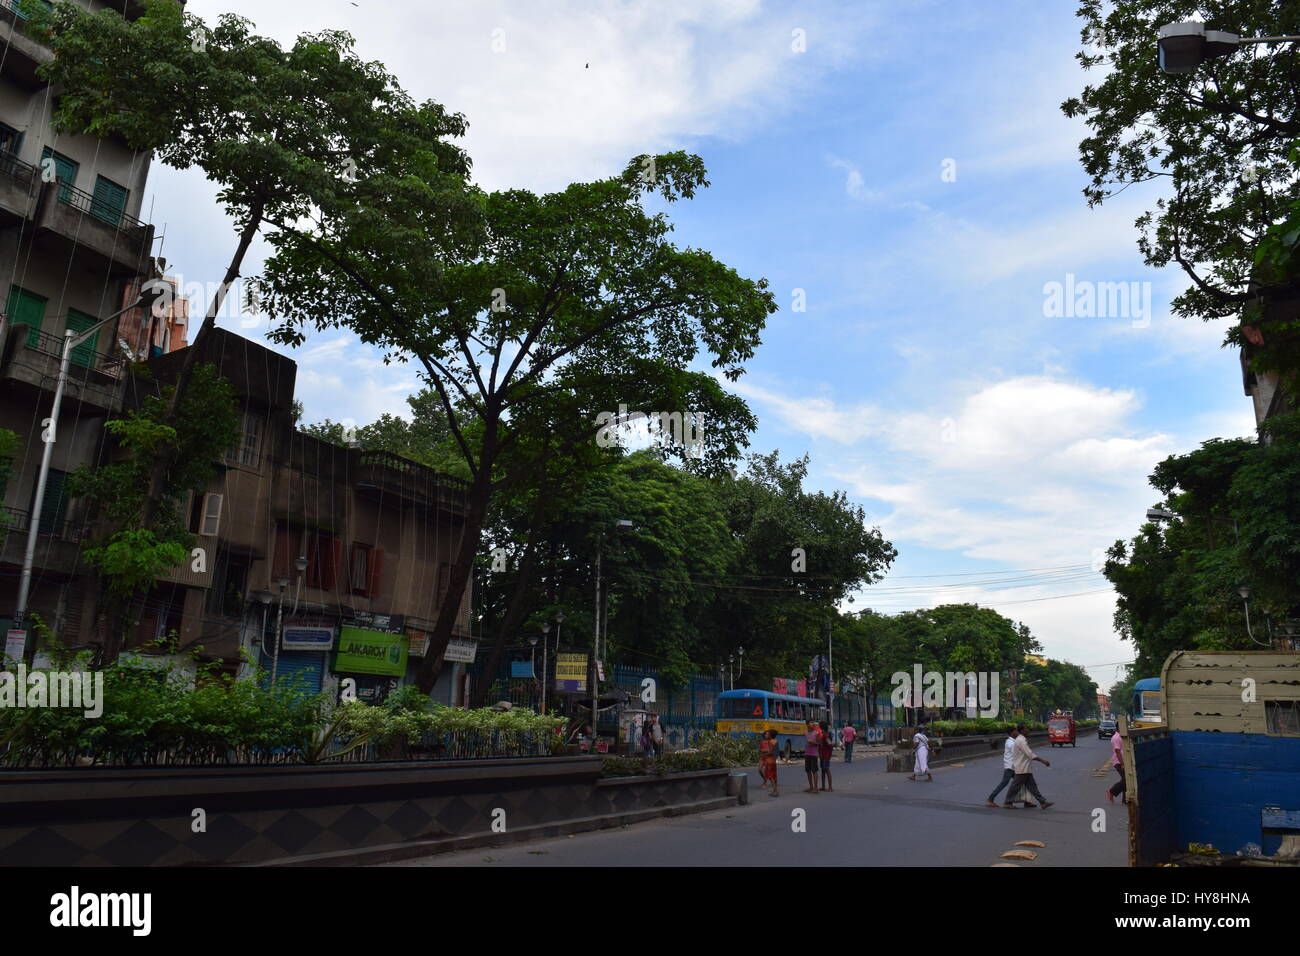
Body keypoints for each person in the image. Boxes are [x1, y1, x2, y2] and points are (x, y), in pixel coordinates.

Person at [1004, 722, 1053, 809]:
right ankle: (1007, 802)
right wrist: (1042, 761)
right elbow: (1030, 754)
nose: (1028, 730)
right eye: (1026, 728)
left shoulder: (1021, 739)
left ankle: (1042, 802)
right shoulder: (1021, 740)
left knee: (1032, 786)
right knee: (1015, 786)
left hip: (1024, 767)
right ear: (1022, 730)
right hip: (1022, 768)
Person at [985, 726, 1019, 807]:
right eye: (1016, 731)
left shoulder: (1012, 741)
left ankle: (1026, 801)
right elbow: (1018, 752)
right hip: (1010, 767)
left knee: (1021, 783)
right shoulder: (1010, 743)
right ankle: (991, 799)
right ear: (1012, 733)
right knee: (1005, 783)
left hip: (1013, 766)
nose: (1017, 733)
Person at [759, 729, 780, 796]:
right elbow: (776, 752)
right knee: (774, 776)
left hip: (769, 760)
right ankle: (776, 790)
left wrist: (765, 753)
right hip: (773, 761)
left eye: (767, 734)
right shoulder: (775, 741)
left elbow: (770, 752)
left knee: (771, 777)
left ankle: (775, 791)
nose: (765, 735)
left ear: (770, 736)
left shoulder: (770, 742)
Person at [1106, 728, 1125, 804]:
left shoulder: (1122, 736)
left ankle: (1125, 801)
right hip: (1118, 762)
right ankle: (1112, 791)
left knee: (1126, 781)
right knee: (1126, 780)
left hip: (1124, 761)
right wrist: (1122, 763)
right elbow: (1117, 751)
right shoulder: (1116, 738)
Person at [803, 718, 822, 793]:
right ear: (807, 724)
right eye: (811, 722)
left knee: (814, 771)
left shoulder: (816, 733)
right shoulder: (805, 733)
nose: (812, 724)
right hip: (807, 753)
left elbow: (819, 743)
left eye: (813, 723)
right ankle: (811, 787)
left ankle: (815, 787)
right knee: (808, 771)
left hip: (814, 754)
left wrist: (813, 743)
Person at [818, 720, 834, 791]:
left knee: (826, 769)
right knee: (823, 770)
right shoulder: (823, 734)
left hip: (826, 754)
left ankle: (830, 787)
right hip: (822, 753)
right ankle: (823, 786)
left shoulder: (825, 735)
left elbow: (830, 744)